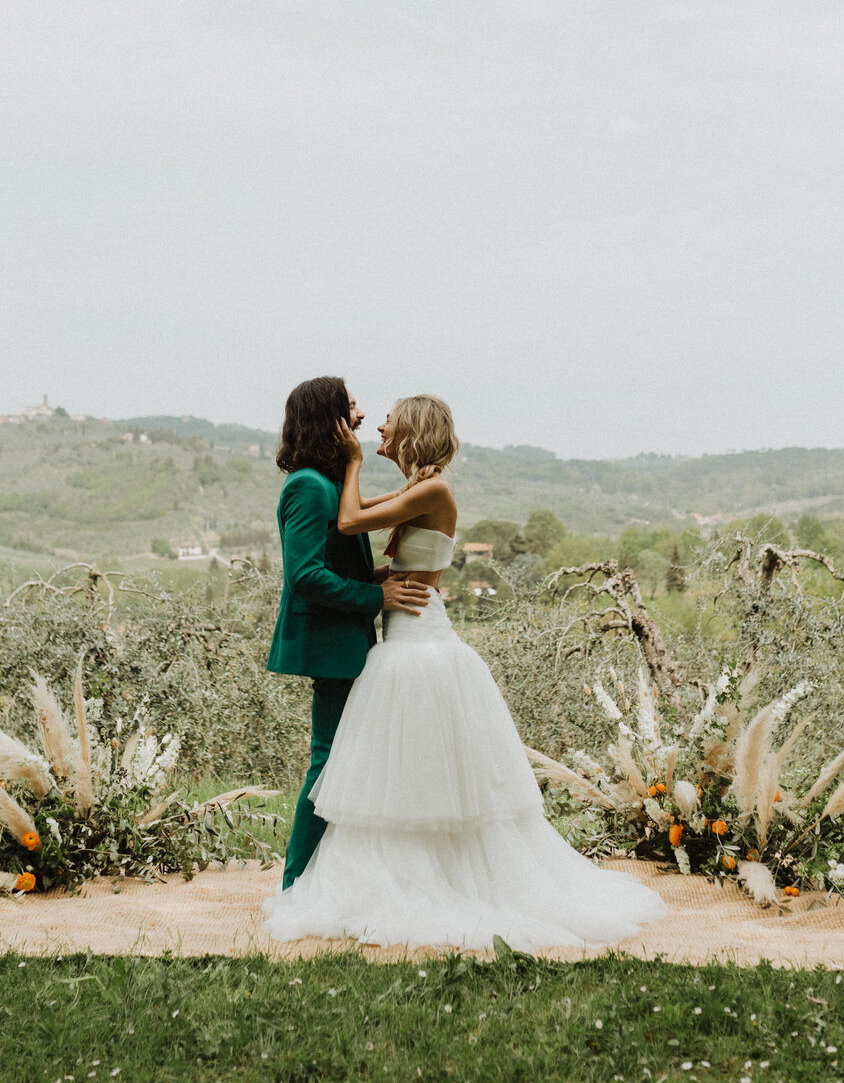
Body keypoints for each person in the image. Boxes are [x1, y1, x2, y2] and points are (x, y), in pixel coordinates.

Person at [263, 394, 666, 951]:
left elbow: (350, 518)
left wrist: (353, 461)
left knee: (407, 767)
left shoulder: (433, 489)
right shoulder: (415, 490)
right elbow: (352, 525)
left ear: (410, 432)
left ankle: (430, 883)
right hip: (403, 636)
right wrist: (379, 575)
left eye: (388, 420)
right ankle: (396, 875)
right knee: (393, 769)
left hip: (420, 643)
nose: (375, 423)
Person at [267, 376, 431, 889]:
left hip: (348, 640)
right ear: (332, 420)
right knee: (327, 763)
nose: (362, 416)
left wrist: (378, 577)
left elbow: (336, 559)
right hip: (331, 644)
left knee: (343, 761)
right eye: (353, 407)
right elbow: (305, 575)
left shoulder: (330, 484)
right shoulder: (308, 487)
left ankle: (328, 877)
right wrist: (374, 598)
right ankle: (296, 883)